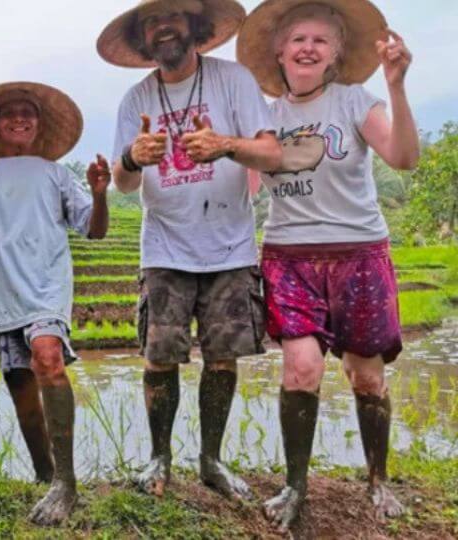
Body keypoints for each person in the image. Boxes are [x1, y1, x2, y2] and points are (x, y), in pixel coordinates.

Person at [236, 0, 419, 531]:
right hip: (289, 254)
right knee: (301, 368)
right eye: (298, 39)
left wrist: (398, 86)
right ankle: (295, 485)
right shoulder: (263, 118)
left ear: (336, 51)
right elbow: (242, 191)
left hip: (359, 251)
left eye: (320, 40)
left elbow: (403, 157)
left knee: (365, 377)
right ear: (279, 50)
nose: (308, 48)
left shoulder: (357, 102)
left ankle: (378, 479)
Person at [98, 0, 282, 499]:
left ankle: (211, 460)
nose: (164, 27)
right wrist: (131, 157)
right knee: (160, 358)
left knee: (222, 357)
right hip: (164, 248)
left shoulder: (233, 80)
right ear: (142, 37)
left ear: (195, 26)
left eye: (174, 15)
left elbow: (271, 152)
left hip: (230, 245)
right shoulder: (135, 98)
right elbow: (124, 186)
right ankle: (159, 459)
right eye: (152, 21)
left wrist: (225, 144)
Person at [0, 81, 109, 525]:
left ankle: (67, 482)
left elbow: (94, 230)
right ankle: (45, 475)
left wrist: (98, 195)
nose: (19, 118)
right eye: (9, 113)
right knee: (21, 390)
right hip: (4, 292)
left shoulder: (56, 173)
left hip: (47, 287)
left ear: (39, 124)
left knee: (47, 357)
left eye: (28, 112)